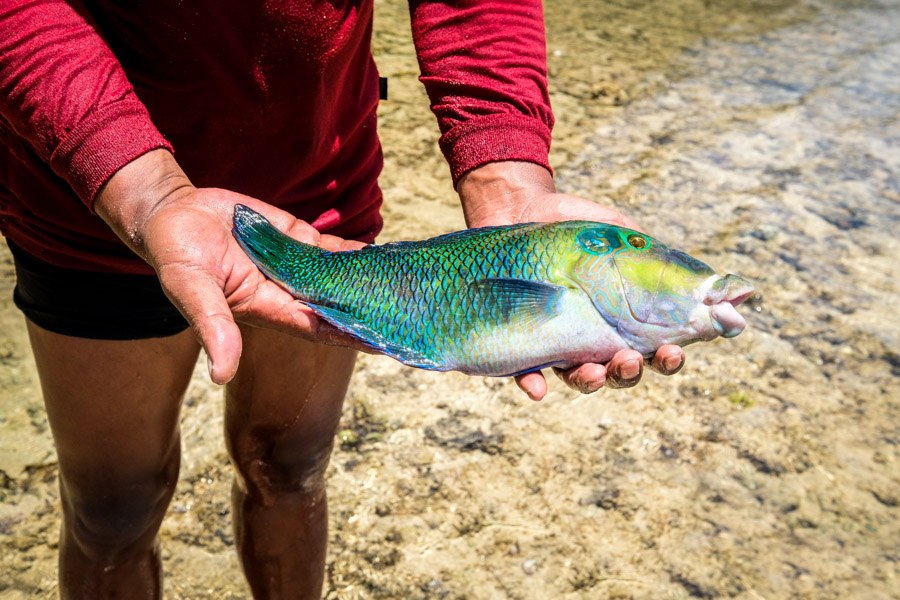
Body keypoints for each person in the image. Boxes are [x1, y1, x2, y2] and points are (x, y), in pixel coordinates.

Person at [0, 1, 685, 598]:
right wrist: (146, 191)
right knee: (111, 512)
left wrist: (507, 170)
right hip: (92, 207)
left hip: (320, 197)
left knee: (289, 467)